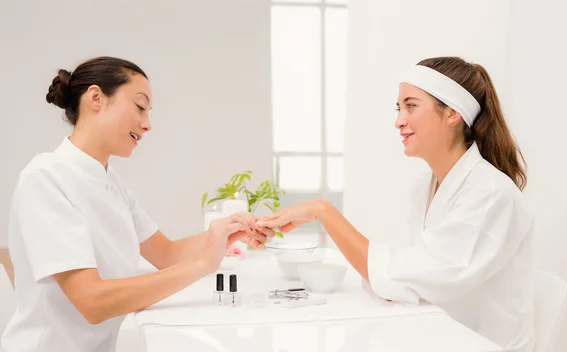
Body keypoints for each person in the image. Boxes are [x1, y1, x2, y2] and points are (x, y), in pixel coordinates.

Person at [257, 57, 535, 352]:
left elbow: (415, 276)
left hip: (480, 344)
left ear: (453, 112)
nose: (399, 121)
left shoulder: (490, 194)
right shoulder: (425, 188)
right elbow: (413, 279)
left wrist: (321, 211)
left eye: (411, 106)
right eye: (398, 108)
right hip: (439, 333)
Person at [0, 57, 273, 352]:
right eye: (140, 107)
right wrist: (204, 264)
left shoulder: (110, 182)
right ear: (96, 98)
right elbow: (92, 302)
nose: (148, 124)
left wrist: (224, 234)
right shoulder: (44, 179)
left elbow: (166, 254)